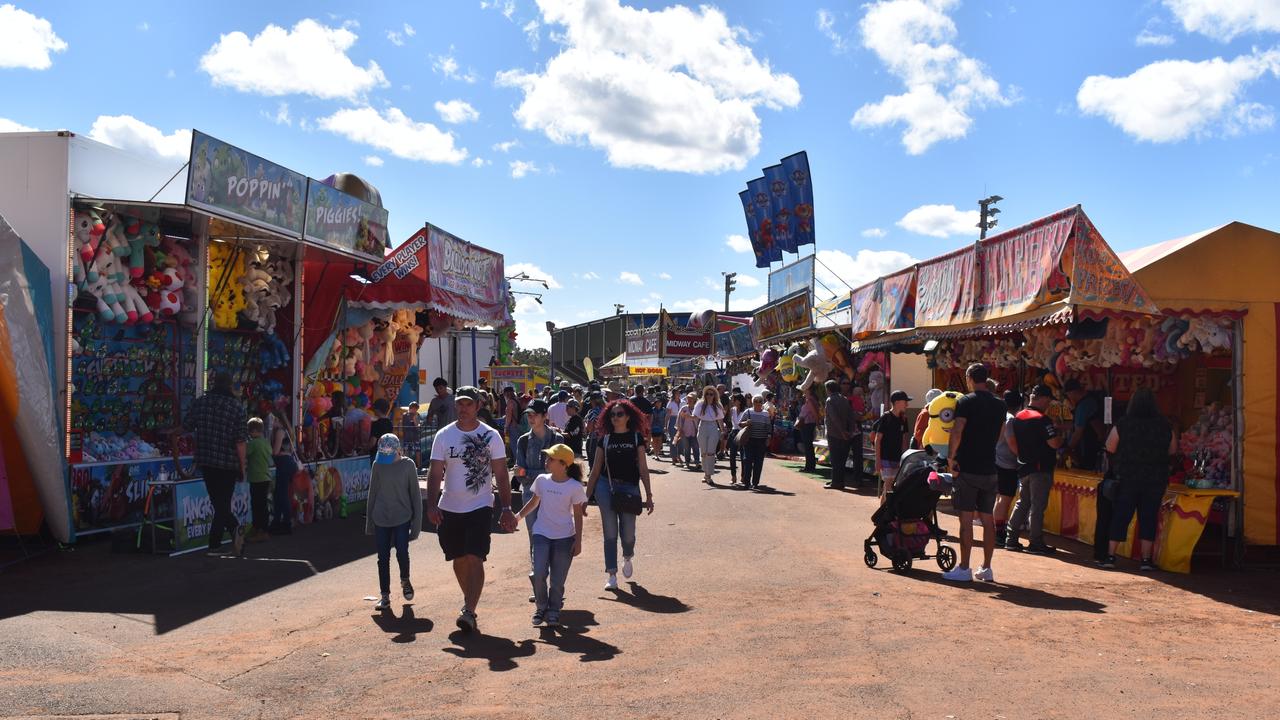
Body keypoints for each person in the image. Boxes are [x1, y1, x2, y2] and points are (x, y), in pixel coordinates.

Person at [426, 386, 517, 633]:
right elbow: (435, 472)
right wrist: (431, 504)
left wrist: (507, 507)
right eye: (459, 404)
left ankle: (469, 610)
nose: (463, 408)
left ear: (478, 406)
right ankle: (470, 601)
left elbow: (501, 474)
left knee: (475, 556)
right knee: (458, 559)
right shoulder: (444, 436)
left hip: (480, 505)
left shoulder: (491, 436)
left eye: (468, 404)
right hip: (450, 506)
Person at [942, 363, 1007, 583]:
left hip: (967, 468)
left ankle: (964, 568)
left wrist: (951, 459)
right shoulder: (1000, 405)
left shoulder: (966, 401)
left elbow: (958, 430)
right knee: (988, 520)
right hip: (990, 468)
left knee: (966, 520)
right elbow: (1000, 434)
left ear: (969, 378)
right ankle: (986, 568)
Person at [1102, 388, 1176, 571]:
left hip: (1128, 477)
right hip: (1155, 479)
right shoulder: (1164, 425)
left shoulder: (1123, 424)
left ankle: (1110, 556)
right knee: (1149, 517)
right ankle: (1145, 560)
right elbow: (1172, 450)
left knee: (1121, 515)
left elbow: (1110, 447)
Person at [514, 444, 587, 627]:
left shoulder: (575, 487)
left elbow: (578, 515)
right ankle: (541, 607)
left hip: (564, 537)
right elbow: (533, 502)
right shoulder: (542, 480)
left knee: (557, 580)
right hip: (541, 533)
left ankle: (554, 610)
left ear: (564, 465)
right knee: (538, 572)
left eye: (551, 459)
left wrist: (578, 541)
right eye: (547, 457)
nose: (547, 461)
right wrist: (518, 517)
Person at [585, 399, 654, 590]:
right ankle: (612, 574)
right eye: (612, 414)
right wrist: (586, 497)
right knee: (610, 532)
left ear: (628, 416)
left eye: (620, 414)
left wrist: (648, 495)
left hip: (630, 487)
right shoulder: (604, 439)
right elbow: (596, 469)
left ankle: (628, 555)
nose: (615, 417)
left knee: (628, 534)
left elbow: (643, 467)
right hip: (605, 487)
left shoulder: (636, 438)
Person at [179, 371, 248, 556]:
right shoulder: (237, 408)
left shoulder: (201, 402)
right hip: (228, 462)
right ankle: (220, 539)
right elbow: (240, 442)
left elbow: (187, 425)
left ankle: (223, 538)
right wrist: (243, 466)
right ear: (229, 386)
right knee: (222, 503)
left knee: (219, 503)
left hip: (207, 460)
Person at [1004, 384, 1064, 554]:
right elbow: (1053, 443)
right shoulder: (1042, 419)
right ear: (1043, 398)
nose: (1049, 404)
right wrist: (1059, 435)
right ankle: (1036, 542)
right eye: (1048, 400)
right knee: (1037, 506)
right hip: (1041, 467)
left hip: (1023, 466)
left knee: (1023, 503)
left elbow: (1012, 441)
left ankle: (1011, 538)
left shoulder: (1018, 417)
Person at [367, 433, 422, 611]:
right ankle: (385, 595)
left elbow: (415, 496)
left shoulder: (408, 465)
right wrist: (369, 521)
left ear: (398, 451)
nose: (385, 460)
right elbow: (372, 493)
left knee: (402, 552)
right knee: (382, 558)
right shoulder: (377, 465)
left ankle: (405, 580)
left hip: (402, 517)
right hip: (381, 517)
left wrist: (417, 526)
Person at [515, 399, 565, 588]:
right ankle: (539, 581)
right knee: (535, 536)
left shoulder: (558, 439)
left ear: (545, 416)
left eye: (534, 414)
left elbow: (561, 471)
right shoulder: (523, 440)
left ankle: (553, 582)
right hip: (530, 494)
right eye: (528, 414)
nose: (530, 417)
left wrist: (530, 473)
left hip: (555, 494)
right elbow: (519, 473)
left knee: (555, 536)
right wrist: (538, 474)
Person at [993, 390, 1024, 545]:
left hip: (998, 461)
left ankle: (997, 530)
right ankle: (998, 532)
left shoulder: (1000, 416)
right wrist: (1021, 456)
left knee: (1000, 497)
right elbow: (1011, 441)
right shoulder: (1010, 419)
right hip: (1006, 463)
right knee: (1004, 498)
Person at [872, 390, 910, 498]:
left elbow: (904, 439)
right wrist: (878, 460)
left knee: (893, 486)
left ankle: (886, 511)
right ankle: (885, 512)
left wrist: (904, 458)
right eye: (905, 401)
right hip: (885, 457)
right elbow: (877, 439)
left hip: (898, 458)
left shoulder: (904, 419)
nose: (907, 404)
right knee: (888, 485)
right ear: (897, 402)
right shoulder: (886, 418)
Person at [268, 401, 299, 535]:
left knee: (282, 494)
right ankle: (277, 521)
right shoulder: (288, 430)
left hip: (283, 463)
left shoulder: (280, 431)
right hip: (288, 462)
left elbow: (275, 451)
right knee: (279, 494)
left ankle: (286, 522)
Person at [1065, 379, 1106, 471]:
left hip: (1088, 447)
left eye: (1068, 395)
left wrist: (1067, 450)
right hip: (1096, 444)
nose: (1069, 398)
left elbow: (1078, 433)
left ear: (1072, 393)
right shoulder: (1091, 399)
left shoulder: (1083, 406)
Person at [245, 417, 274, 542]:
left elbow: (244, 453)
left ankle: (261, 530)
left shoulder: (253, 443)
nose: (249, 434)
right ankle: (260, 529)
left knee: (257, 506)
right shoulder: (266, 443)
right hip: (265, 477)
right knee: (262, 505)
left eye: (250, 431)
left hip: (256, 478)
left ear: (255, 431)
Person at [823, 380, 856, 490]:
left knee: (835, 459)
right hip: (845, 435)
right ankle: (838, 481)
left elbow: (834, 418)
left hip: (834, 434)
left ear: (828, 389)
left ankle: (835, 482)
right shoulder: (845, 399)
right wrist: (849, 432)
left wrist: (842, 431)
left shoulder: (830, 400)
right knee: (841, 460)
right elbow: (851, 417)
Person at [738, 395, 772, 490]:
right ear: (753, 403)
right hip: (749, 440)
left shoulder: (766, 414)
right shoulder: (748, 411)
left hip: (761, 441)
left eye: (760, 402)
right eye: (756, 402)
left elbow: (768, 427)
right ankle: (746, 482)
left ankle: (755, 482)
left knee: (758, 462)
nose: (758, 404)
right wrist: (746, 423)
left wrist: (768, 438)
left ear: (762, 403)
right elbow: (740, 424)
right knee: (747, 461)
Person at [692, 386, 725, 484]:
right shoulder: (700, 404)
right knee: (704, 452)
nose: (709, 396)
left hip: (713, 426)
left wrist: (722, 431)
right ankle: (705, 473)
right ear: (704, 394)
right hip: (702, 426)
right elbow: (695, 416)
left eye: (711, 394)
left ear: (715, 395)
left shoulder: (718, 405)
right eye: (707, 394)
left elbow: (720, 419)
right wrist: (687, 416)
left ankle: (709, 475)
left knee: (711, 452)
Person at [797, 385, 821, 473]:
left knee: (808, 446)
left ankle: (809, 466)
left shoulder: (809, 400)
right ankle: (810, 465)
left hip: (807, 425)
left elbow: (815, 413)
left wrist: (818, 423)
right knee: (808, 446)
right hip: (808, 424)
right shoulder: (811, 399)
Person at [727, 394, 748, 485]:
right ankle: (733, 476)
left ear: (738, 401)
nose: (732, 401)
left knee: (744, 456)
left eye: (733, 399)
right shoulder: (732, 410)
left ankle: (743, 476)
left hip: (743, 433)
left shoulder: (746, 411)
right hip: (734, 433)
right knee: (732, 456)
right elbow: (729, 422)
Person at [676, 392, 699, 467]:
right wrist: (680, 430)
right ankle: (687, 462)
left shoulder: (697, 409)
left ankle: (697, 462)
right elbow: (679, 420)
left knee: (696, 447)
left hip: (695, 431)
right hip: (685, 431)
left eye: (691, 399)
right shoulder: (684, 408)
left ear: (694, 400)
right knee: (687, 448)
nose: (689, 400)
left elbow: (700, 420)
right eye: (688, 398)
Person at [401, 401, 422, 466]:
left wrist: (415, 420)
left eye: (416, 409)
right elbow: (402, 425)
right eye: (414, 408)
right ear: (410, 408)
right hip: (407, 437)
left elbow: (418, 427)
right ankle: (405, 466)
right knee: (406, 452)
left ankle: (418, 466)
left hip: (415, 437)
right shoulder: (405, 415)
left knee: (417, 452)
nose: (415, 410)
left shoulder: (417, 415)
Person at [665, 390, 683, 463]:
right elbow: (668, 415)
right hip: (673, 420)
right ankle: (673, 457)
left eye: (679, 393)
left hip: (681, 420)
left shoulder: (683, 402)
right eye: (676, 393)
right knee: (673, 439)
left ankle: (679, 455)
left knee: (681, 439)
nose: (678, 394)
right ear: (674, 394)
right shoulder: (670, 403)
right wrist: (665, 425)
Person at [649, 392, 668, 458]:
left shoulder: (664, 410)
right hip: (654, 427)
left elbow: (666, 418)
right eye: (657, 402)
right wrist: (650, 427)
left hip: (661, 427)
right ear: (655, 403)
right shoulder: (652, 410)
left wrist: (665, 426)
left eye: (660, 402)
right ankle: (655, 454)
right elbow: (651, 418)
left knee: (659, 441)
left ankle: (657, 453)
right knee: (654, 441)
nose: (659, 403)